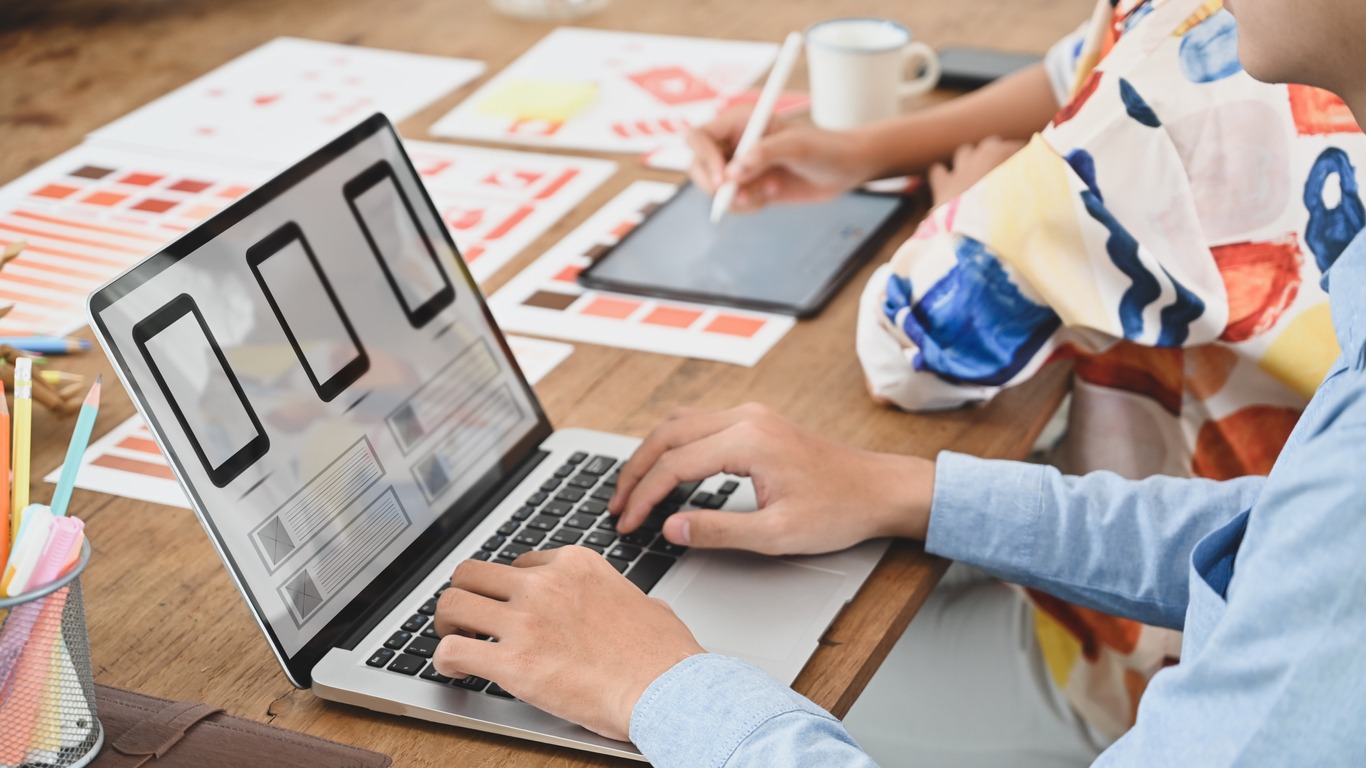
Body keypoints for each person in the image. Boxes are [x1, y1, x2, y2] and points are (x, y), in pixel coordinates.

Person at [429, 0, 1366, 764]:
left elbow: (907, 342)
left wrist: (655, 687)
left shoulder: (1183, 60)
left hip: (1129, 686)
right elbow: (1272, 532)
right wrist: (911, 489)